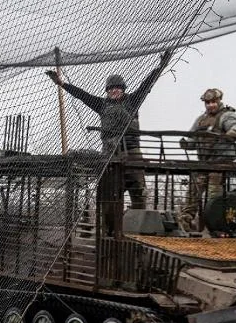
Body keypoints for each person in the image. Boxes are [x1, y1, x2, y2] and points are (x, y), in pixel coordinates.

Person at [45, 50, 173, 209]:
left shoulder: (133, 100)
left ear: (123, 89)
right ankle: (109, 225)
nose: (114, 90)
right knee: (109, 191)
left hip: (131, 151)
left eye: (118, 88)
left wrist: (161, 66)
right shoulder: (102, 104)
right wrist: (62, 84)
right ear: (107, 91)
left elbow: (147, 83)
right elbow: (82, 95)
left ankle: (138, 219)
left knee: (139, 191)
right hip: (110, 151)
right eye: (111, 88)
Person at [179, 88, 236, 231]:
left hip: (220, 163)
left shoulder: (226, 115)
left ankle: (214, 225)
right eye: (208, 103)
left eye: (213, 102)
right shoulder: (201, 120)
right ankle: (186, 221)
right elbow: (192, 138)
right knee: (193, 192)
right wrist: (186, 143)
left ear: (219, 101)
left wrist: (229, 134)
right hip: (204, 162)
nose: (210, 105)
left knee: (214, 195)